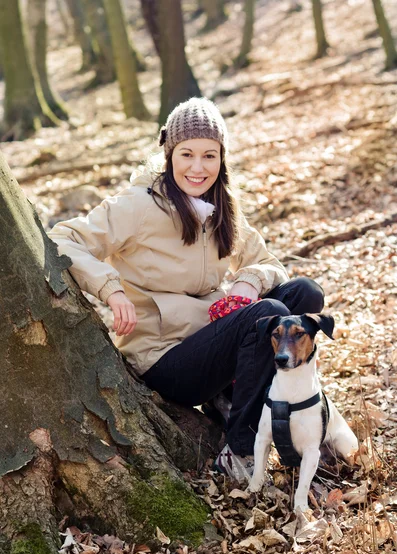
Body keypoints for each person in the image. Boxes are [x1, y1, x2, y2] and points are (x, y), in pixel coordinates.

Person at [49, 97, 324, 482]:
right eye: (187, 154)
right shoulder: (139, 205)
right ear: (169, 153)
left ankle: (299, 416)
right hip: (164, 358)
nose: (198, 167)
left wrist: (248, 281)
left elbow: (270, 264)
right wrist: (111, 289)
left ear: (222, 158)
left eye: (210, 156)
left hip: (210, 339)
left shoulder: (222, 207)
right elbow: (62, 238)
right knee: (269, 315)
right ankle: (240, 447)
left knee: (304, 295)